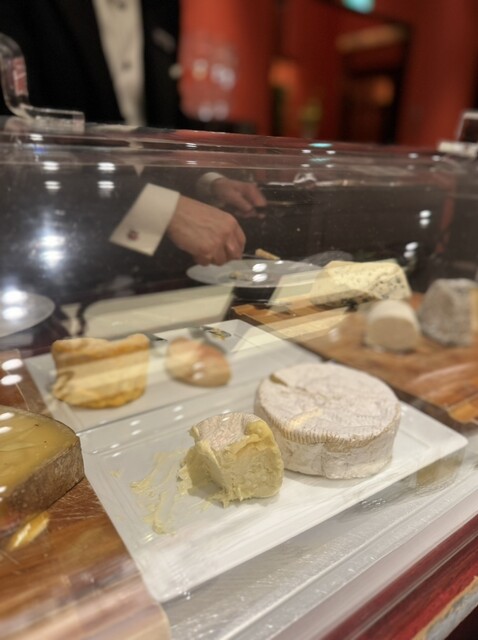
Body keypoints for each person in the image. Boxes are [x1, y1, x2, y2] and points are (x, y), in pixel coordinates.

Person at [0, 0, 266, 265]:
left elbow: (162, 127)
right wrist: (158, 209)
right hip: (53, 248)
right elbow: (16, 142)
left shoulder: (162, 8)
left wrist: (206, 182)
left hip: (147, 260)